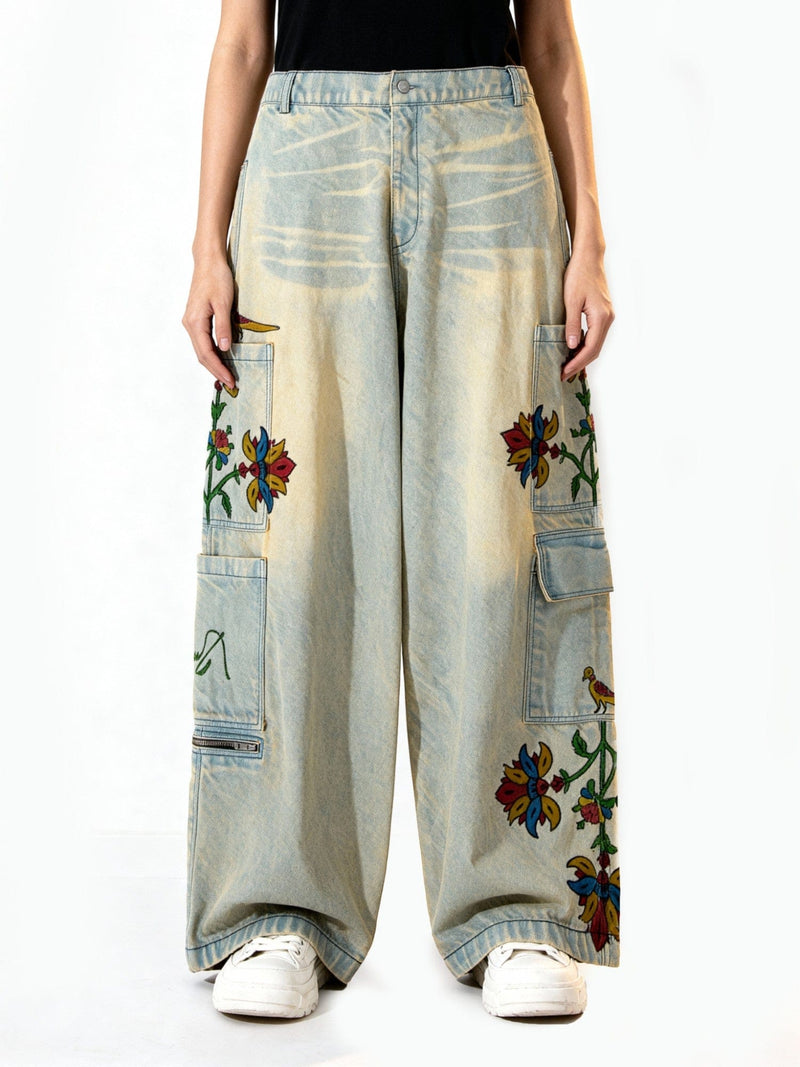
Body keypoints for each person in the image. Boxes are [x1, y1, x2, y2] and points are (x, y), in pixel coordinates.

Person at [181, 0, 619, 1020]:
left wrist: (589, 236)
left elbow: (549, 34)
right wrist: (206, 243)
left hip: (490, 152)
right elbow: (242, 38)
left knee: (495, 536)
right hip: (304, 156)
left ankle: (519, 905)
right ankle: (278, 904)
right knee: (298, 541)